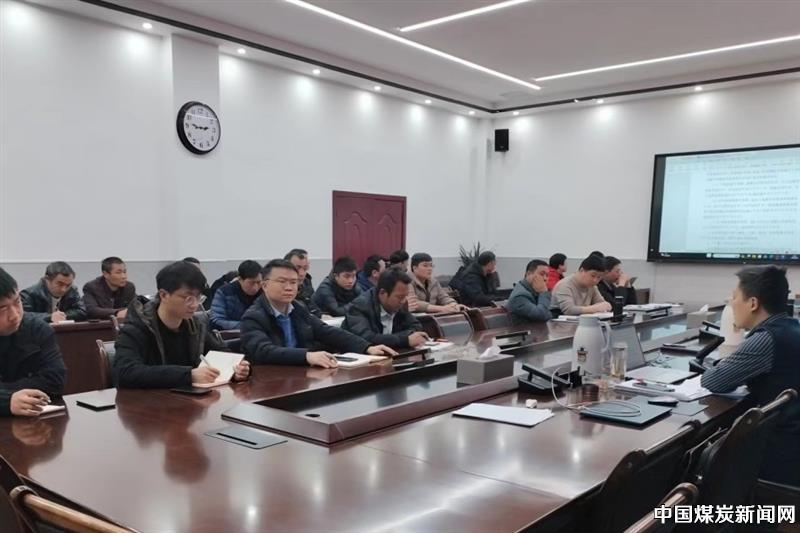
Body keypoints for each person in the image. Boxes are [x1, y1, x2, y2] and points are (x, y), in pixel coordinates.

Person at [700, 266, 800, 486]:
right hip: (791, 443)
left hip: (781, 455)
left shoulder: (767, 337)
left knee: (698, 459)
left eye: (735, 296)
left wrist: (719, 365)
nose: (731, 302)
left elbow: (714, 381)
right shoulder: (791, 327)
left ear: (753, 303)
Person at [113, 261, 250, 389]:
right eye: (188, 298)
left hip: (186, 400)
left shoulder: (194, 326)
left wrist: (237, 369)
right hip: (147, 402)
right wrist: (188, 375)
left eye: (198, 298)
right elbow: (125, 372)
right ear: (164, 295)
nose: (195, 305)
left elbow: (221, 353)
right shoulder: (136, 327)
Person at [241, 259, 396, 368]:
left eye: (294, 282)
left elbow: (326, 331)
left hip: (300, 375)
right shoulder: (253, 317)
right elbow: (264, 351)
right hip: (270, 381)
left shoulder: (298, 308)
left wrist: (366, 347)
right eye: (282, 282)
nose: (289, 287)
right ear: (265, 285)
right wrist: (306, 356)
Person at [0, 268, 67, 417]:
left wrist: (7, 393)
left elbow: (55, 381)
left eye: (17, 302)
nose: (14, 315)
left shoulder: (37, 329)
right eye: (2, 308)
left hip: (33, 420)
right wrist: (6, 400)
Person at [344, 269, 428, 349]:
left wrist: (400, 338)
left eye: (405, 296)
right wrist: (404, 340)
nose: (403, 301)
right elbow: (366, 338)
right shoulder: (359, 306)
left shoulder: (401, 303)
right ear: (382, 293)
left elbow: (416, 326)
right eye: (400, 297)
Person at [21, 262, 87, 323]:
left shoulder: (72, 290)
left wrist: (62, 315)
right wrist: (49, 317)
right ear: (47, 280)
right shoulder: (28, 294)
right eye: (60, 284)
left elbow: (82, 311)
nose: (64, 289)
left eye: (68, 285)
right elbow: (23, 316)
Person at [209, 260, 262, 330]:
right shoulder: (224, 292)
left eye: (259, 282)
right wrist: (246, 326)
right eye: (251, 283)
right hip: (232, 334)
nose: (255, 287)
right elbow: (216, 321)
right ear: (240, 279)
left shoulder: (265, 292)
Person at [507, 260, 552, 324]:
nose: (545, 278)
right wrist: (543, 292)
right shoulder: (519, 296)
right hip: (524, 330)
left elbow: (549, 314)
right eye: (541, 274)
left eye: (547, 275)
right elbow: (542, 316)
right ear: (528, 274)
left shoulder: (534, 290)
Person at [284, 248, 321, 317]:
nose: (302, 273)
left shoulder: (306, 282)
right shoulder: (280, 288)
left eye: (305, 268)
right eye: (297, 268)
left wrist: (321, 316)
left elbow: (313, 307)